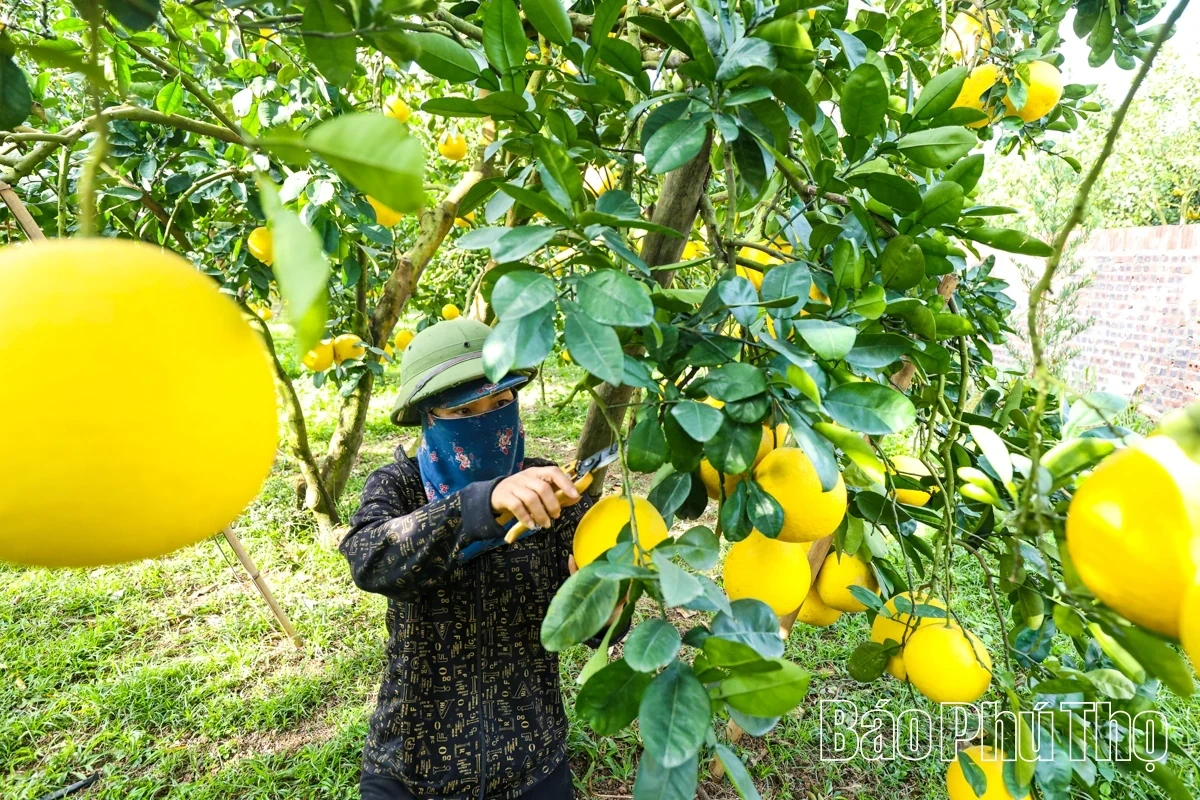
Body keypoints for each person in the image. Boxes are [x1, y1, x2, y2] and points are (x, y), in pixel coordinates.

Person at [341, 318, 617, 800]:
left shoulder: (550, 492)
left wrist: (610, 611)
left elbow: (586, 617)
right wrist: (479, 505)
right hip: (411, 766)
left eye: (502, 401)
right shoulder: (400, 486)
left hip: (532, 760)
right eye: (464, 409)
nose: (489, 420)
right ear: (428, 417)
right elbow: (370, 559)